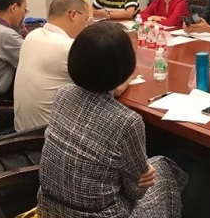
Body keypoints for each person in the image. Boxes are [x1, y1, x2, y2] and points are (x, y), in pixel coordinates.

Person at [37, 21, 187, 217]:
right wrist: (143, 172)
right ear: (127, 66)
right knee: (164, 168)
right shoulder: (127, 121)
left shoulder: (63, 93)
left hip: (50, 209)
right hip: (100, 214)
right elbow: (135, 192)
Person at [14, 0, 90, 131]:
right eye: (86, 19)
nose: (86, 26)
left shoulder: (32, 35)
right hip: (49, 136)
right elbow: (112, 88)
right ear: (73, 15)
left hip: (22, 133)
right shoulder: (68, 47)